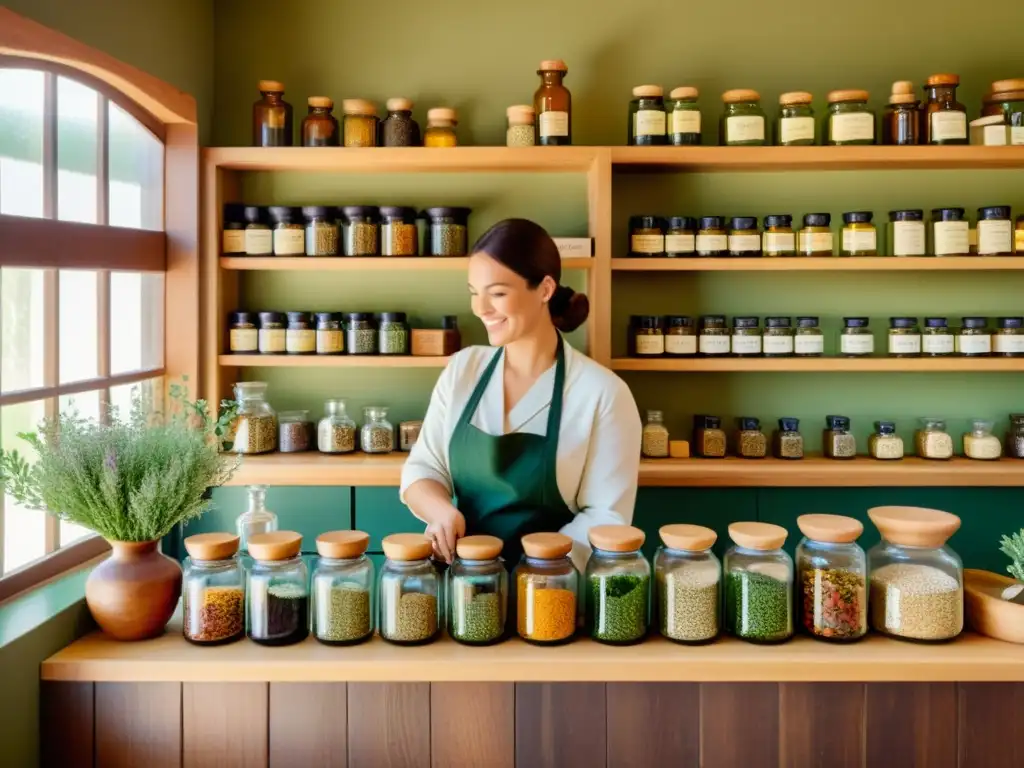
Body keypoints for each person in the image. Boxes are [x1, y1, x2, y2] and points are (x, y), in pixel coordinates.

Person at [400, 218, 641, 569]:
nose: (480, 308)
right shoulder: (462, 370)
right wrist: (441, 512)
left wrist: (535, 576)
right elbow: (424, 468)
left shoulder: (602, 393)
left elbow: (606, 516)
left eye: (497, 293)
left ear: (544, 289)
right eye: (474, 292)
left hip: (555, 588)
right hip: (466, 584)